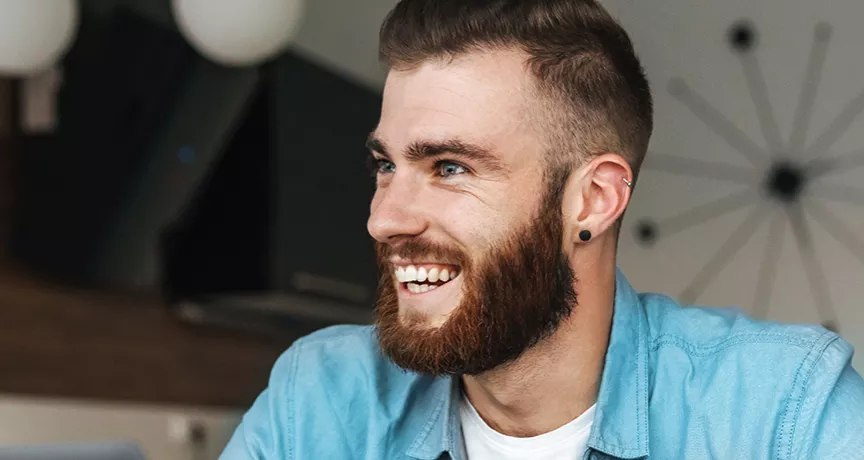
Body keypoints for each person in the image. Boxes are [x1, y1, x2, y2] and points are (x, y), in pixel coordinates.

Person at [221, 0, 864, 458]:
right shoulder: (323, 400)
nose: (383, 218)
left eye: (449, 167)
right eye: (387, 165)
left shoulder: (783, 413)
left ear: (593, 199)